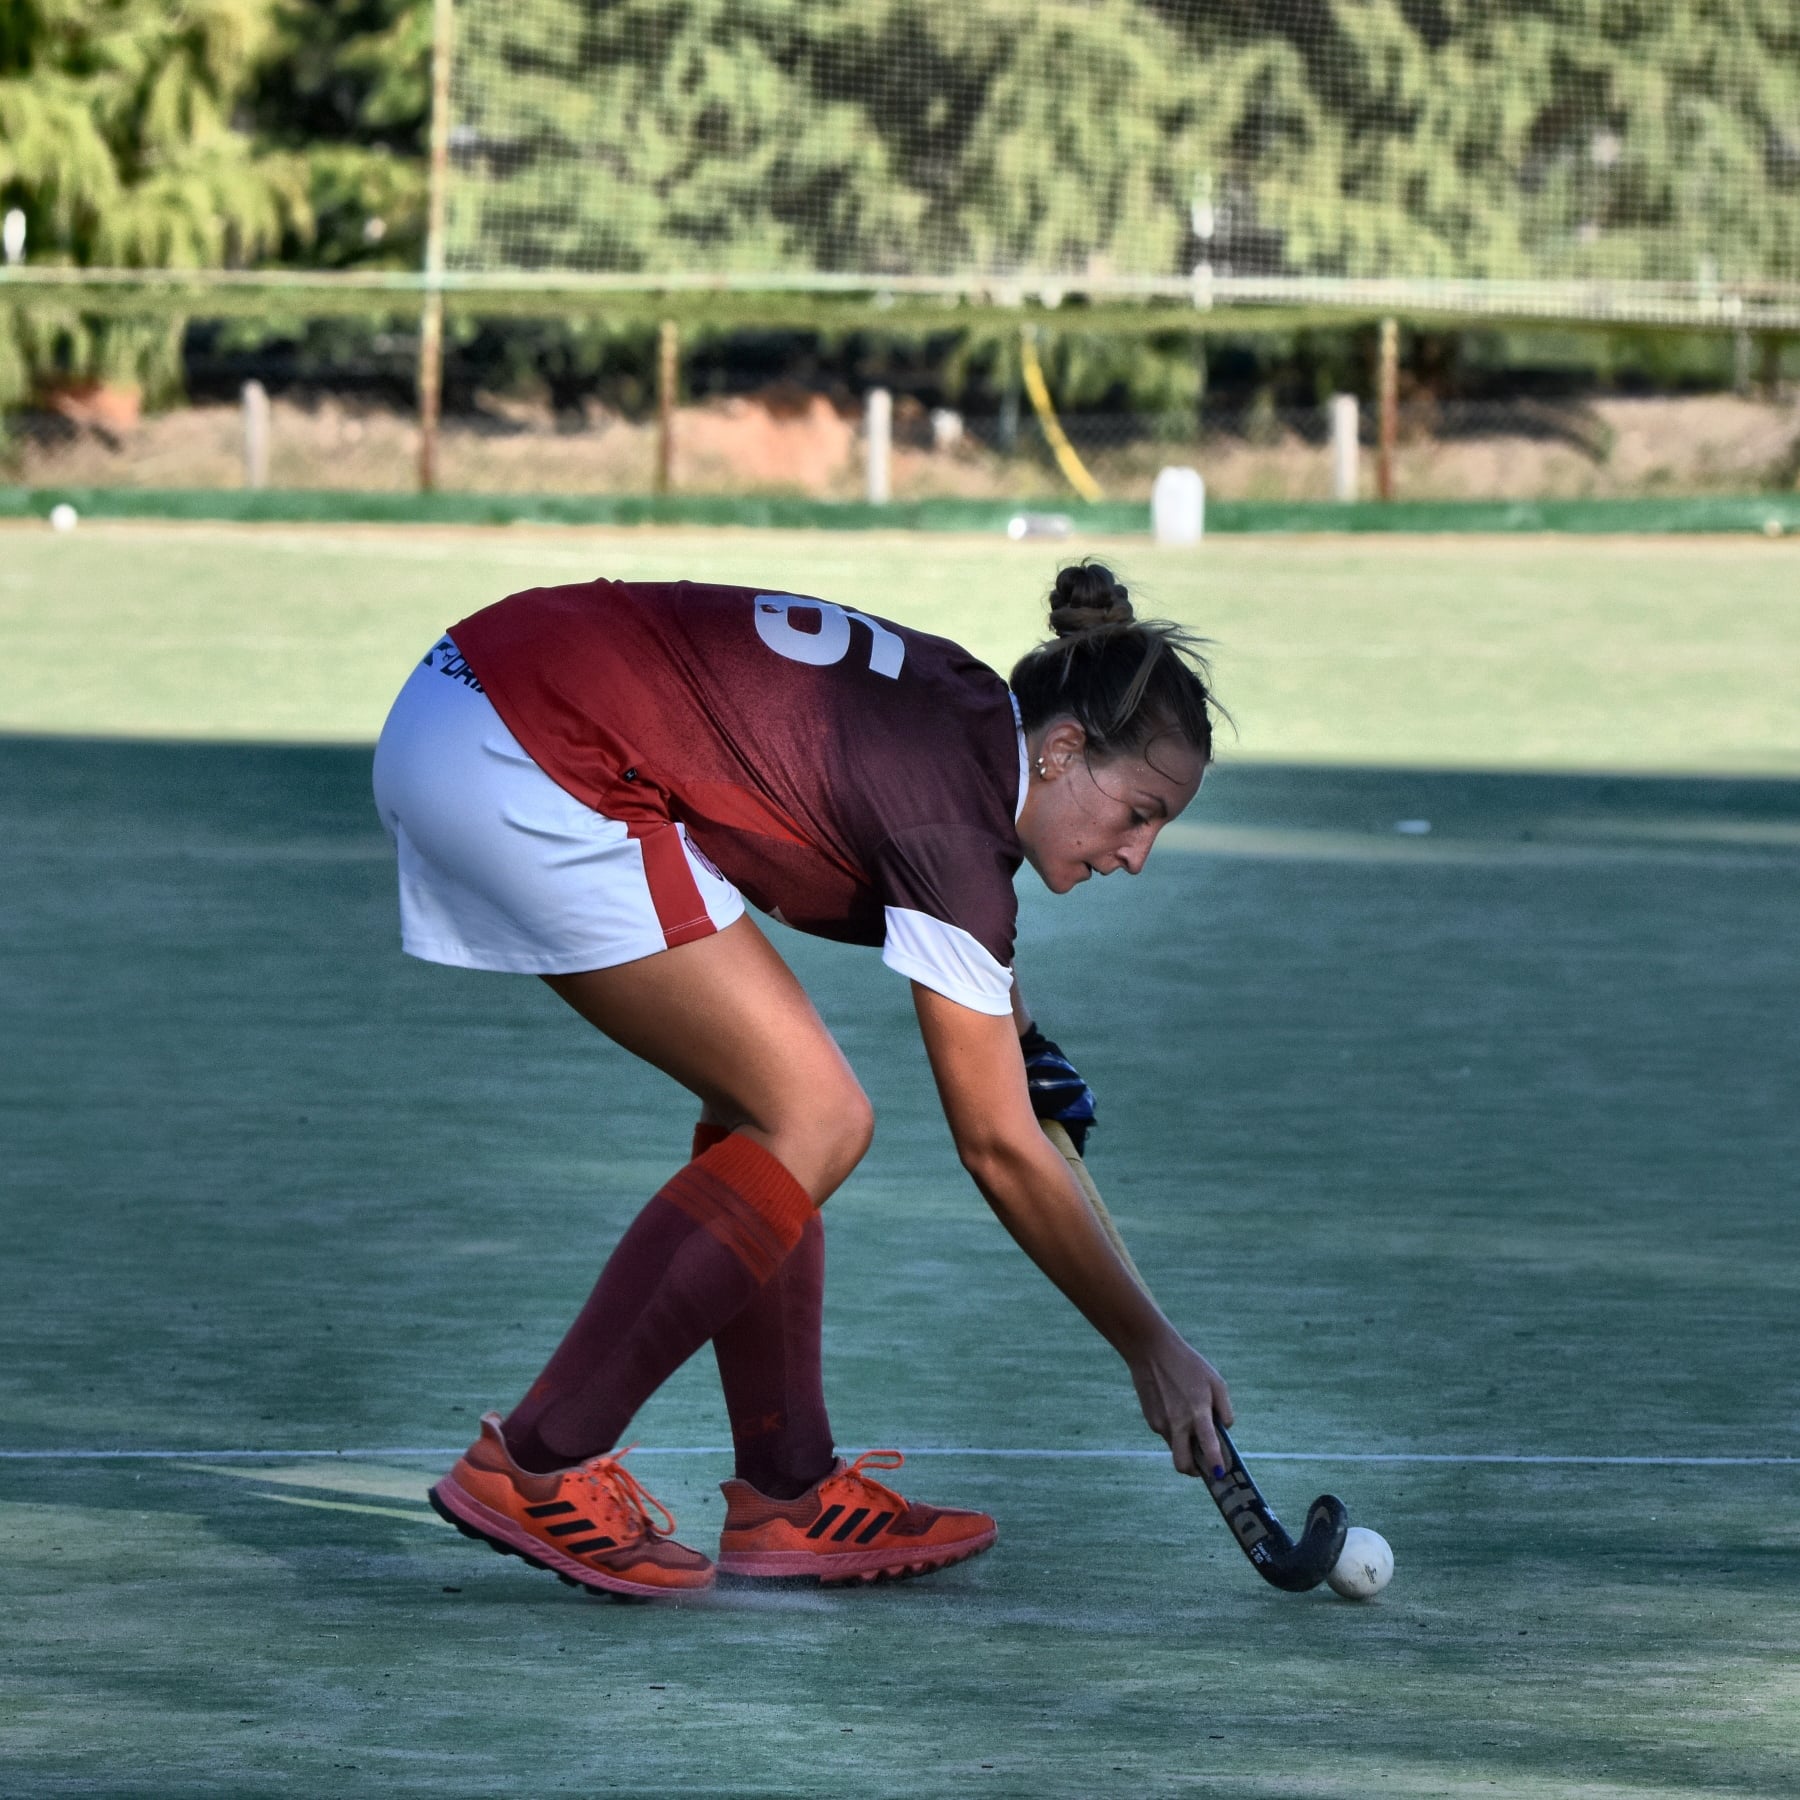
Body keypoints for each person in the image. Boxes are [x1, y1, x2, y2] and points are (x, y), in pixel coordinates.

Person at [371, 560, 1234, 1598]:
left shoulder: (973, 721)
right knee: (815, 1116)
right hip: (528, 747)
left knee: (767, 1111)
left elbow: (961, 896)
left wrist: (1026, 1040)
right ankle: (539, 1461)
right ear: (1061, 751)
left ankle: (788, 1493)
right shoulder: (955, 828)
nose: (1137, 855)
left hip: (481, 690)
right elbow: (998, 1148)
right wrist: (1151, 1347)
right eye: (1139, 812)